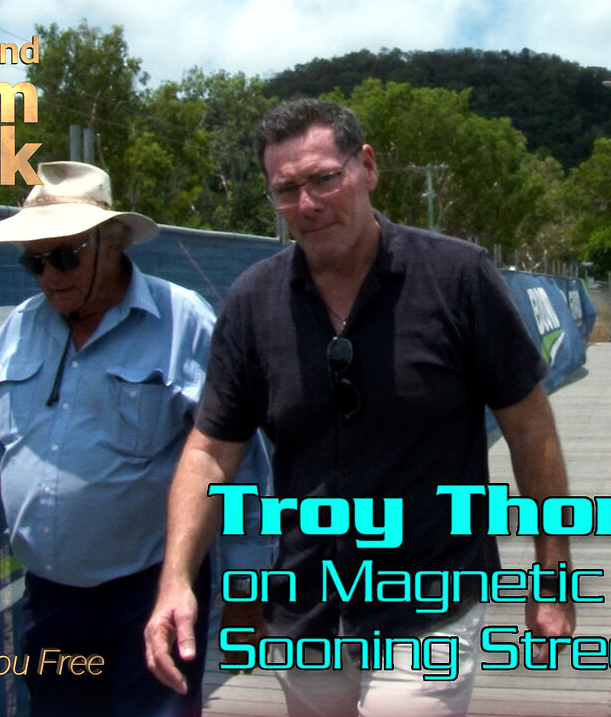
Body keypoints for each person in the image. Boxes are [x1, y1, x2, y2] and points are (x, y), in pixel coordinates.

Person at [145, 99, 577, 716]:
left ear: (367, 167)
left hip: (430, 605)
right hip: (303, 611)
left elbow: (530, 427)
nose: (309, 204)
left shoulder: (458, 278)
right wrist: (176, 580)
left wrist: (552, 574)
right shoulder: (252, 302)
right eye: (286, 189)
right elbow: (211, 451)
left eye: (325, 178)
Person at [0, 161, 272, 717]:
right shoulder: (17, 332)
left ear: (111, 243)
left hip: (153, 592)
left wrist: (249, 590)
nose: (49, 275)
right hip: (51, 601)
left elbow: (240, 464)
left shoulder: (184, 323)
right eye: (33, 262)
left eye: (64, 256)